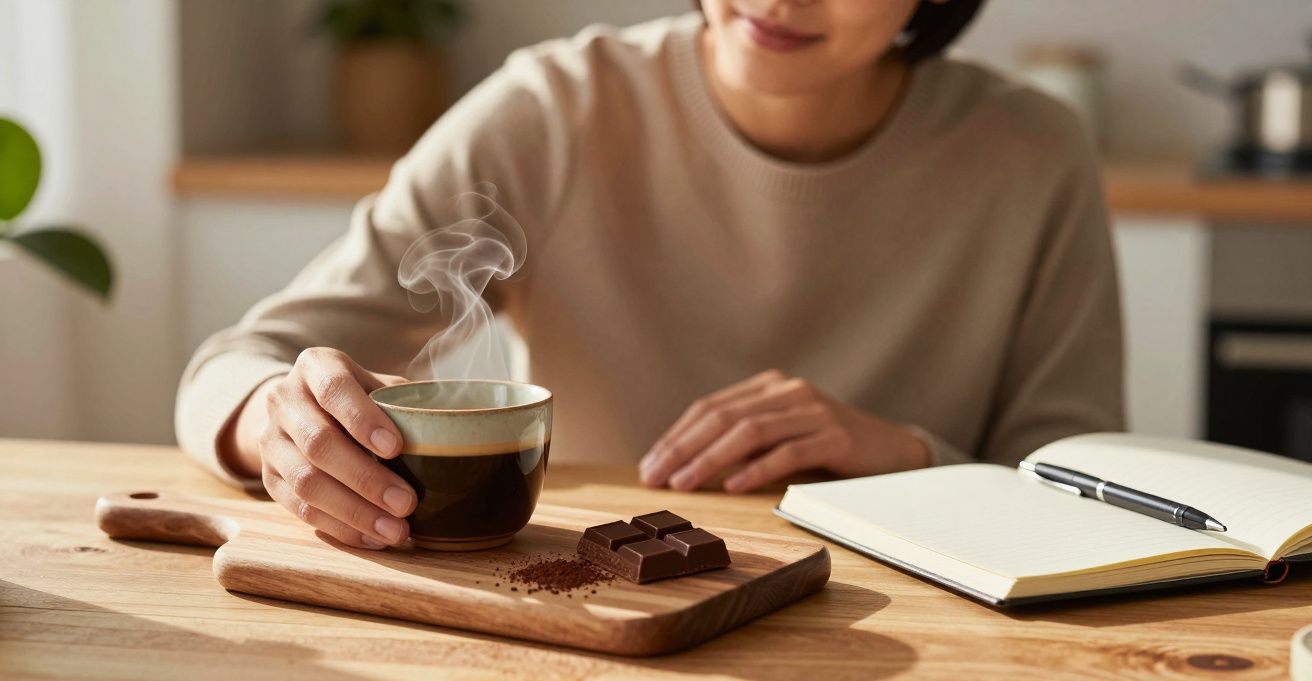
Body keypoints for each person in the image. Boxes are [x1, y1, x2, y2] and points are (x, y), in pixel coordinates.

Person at [176, 0, 1124, 550]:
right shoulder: (555, 108)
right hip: (592, 629)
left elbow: (1094, 488)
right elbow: (235, 361)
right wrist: (278, 422)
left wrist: (905, 455)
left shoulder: (1032, 153)